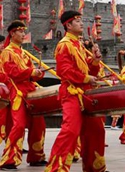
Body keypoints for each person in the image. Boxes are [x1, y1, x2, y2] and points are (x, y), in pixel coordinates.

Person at [43, 10, 105, 172]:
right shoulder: (64, 45)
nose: (81, 23)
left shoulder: (79, 45)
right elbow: (64, 71)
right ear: (68, 25)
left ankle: (95, 167)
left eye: (81, 20)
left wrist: (95, 61)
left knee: (96, 130)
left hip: (85, 93)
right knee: (70, 131)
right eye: (77, 21)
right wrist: (85, 78)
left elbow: (89, 70)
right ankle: (56, 169)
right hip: (72, 94)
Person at [0, 20, 47, 170]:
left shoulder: (24, 53)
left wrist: (37, 74)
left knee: (39, 124)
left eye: (23, 31)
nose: (23, 34)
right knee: (19, 125)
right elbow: (12, 73)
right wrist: (30, 72)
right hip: (17, 91)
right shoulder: (7, 52)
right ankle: (9, 160)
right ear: (12, 34)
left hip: (30, 90)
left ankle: (36, 156)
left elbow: (31, 74)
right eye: (20, 32)